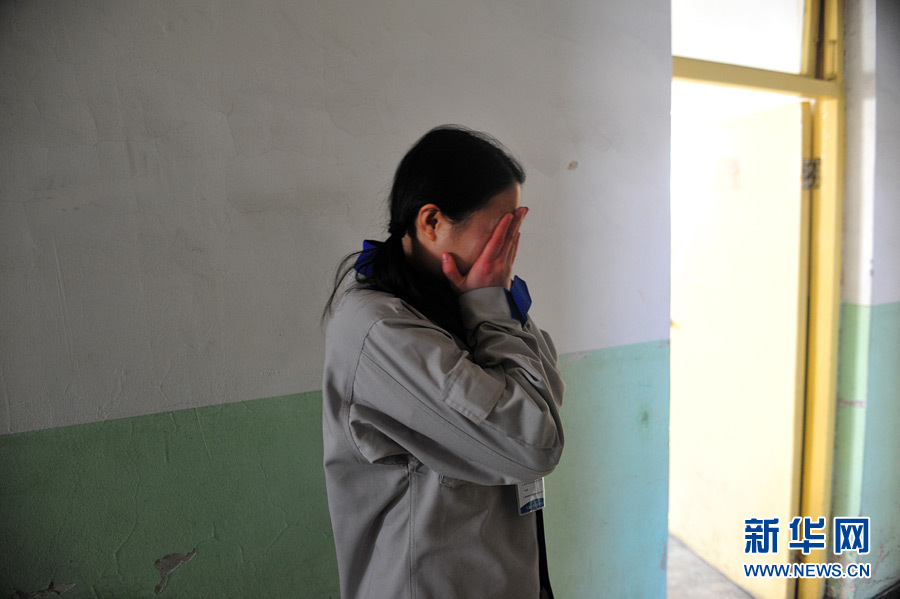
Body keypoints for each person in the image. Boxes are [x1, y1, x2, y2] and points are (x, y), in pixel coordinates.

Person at [322, 125, 565, 599]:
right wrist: (494, 309)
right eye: (500, 230)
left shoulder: (469, 304)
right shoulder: (380, 329)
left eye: (516, 230)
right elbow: (535, 444)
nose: (509, 248)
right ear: (431, 221)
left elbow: (545, 397)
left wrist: (492, 307)